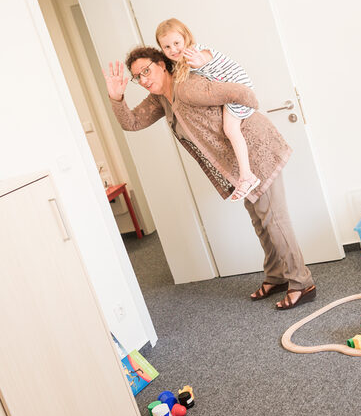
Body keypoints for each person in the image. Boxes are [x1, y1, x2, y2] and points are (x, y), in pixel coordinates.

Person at [102, 46, 316, 309]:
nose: (144, 79)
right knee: (260, 221)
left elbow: (241, 92)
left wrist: (238, 119)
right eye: (138, 77)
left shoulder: (187, 86)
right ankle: (277, 276)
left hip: (256, 152)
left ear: (162, 64)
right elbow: (132, 122)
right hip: (239, 167)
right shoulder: (161, 98)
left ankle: (302, 283)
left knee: (274, 220)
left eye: (147, 70)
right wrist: (116, 97)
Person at [156, 18, 259, 202]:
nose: (173, 50)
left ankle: (247, 175)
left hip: (239, 89)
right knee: (230, 129)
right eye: (167, 47)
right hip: (232, 91)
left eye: (177, 43)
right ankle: (245, 175)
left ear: (186, 38)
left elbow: (205, 64)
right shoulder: (183, 61)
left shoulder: (196, 54)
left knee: (230, 129)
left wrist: (199, 63)